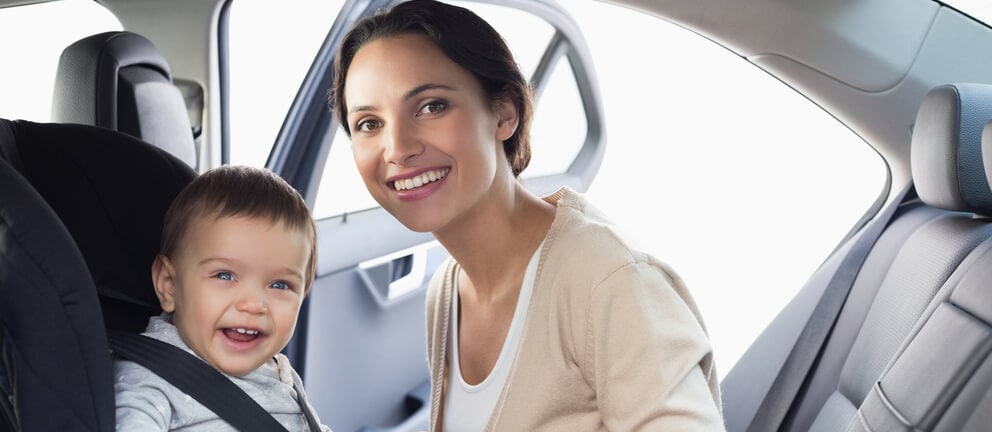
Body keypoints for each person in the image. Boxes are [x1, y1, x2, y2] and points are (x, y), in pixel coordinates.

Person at [330, 1, 724, 430]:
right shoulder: (446, 291)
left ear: (504, 113)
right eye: (369, 124)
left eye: (431, 106)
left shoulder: (610, 282)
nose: (398, 148)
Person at [114, 165, 331, 431]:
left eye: (280, 284)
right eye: (225, 276)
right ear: (169, 285)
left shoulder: (278, 370)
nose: (253, 305)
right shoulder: (149, 380)